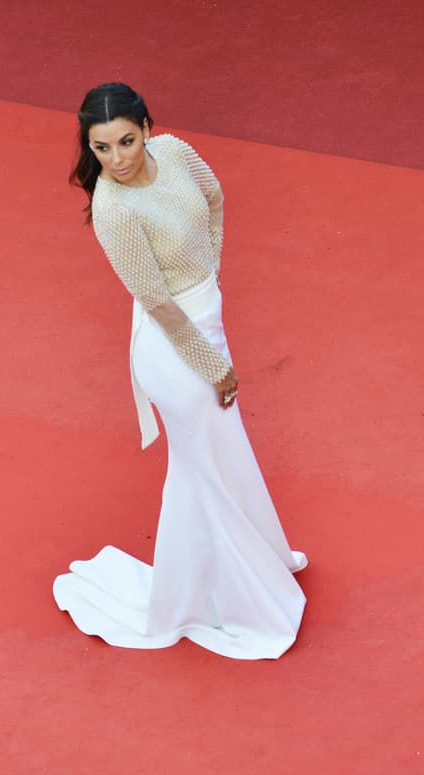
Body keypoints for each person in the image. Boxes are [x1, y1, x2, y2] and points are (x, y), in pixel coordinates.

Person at [52, 82, 307, 660]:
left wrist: (210, 271)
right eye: (101, 149)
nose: (116, 159)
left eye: (125, 141)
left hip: (205, 319)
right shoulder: (115, 212)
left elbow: (214, 199)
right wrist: (215, 366)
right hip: (175, 351)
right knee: (200, 471)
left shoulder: (178, 152)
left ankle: (233, 577)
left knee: (223, 457)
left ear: (146, 127)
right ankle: (217, 600)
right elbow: (161, 305)